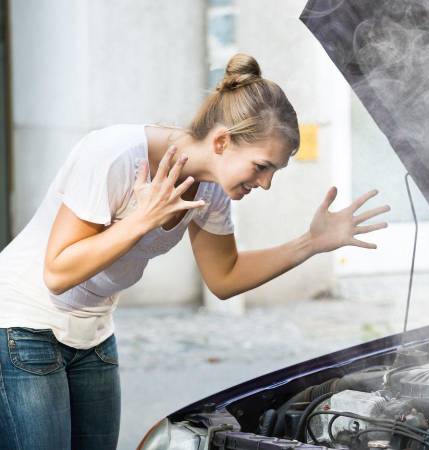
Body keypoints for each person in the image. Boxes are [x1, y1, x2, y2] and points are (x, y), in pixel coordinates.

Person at [0, 53, 390, 449]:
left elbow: (225, 276)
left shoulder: (212, 190)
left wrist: (311, 243)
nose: (266, 183)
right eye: (261, 166)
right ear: (221, 141)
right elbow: (58, 271)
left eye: (274, 171)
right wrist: (141, 220)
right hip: (23, 326)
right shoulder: (116, 155)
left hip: (93, 333)